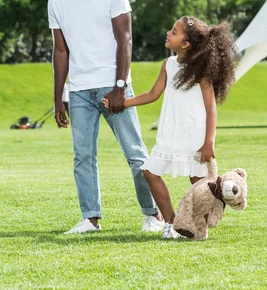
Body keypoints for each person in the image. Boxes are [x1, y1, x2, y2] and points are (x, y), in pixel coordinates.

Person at [49, 0, 163, 234]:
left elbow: (125, 39)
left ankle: (153, 215)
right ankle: (91, 218)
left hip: (113, 86)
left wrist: (120, 86)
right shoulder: (56, 0)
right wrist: (59, 97)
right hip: (79, 91)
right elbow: (60, 52)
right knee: (83, 156)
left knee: (136, 153)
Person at [103, 16, 240, 238]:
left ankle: (197, 226)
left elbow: (211, 109)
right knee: (150, 172)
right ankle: (171, 223)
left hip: (194, 136)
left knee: (200, 185)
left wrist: (209, 142)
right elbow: (152, 94)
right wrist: (122, 103)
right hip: (170, 133)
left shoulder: (201, 71)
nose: (168, 32)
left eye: (174, 31)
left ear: (186, 44)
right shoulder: (168, 64)